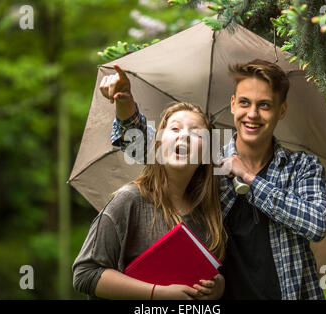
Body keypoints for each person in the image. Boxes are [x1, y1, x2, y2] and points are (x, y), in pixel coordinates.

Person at [107, 60, 326, 300]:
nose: (253, 114)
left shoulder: (302, 167)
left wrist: (249, 178)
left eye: (265, 105)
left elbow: (318, 224)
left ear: (282, 110)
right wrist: (124, 101)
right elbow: (146, 144)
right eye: (245, 102)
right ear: (233, 104)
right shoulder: (207, 165)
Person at [72, 98, 227, 300]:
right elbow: (85, 274)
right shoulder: (128, 201)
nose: (185, 136)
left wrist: (218, 285)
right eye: (175, 129)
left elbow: (213, 273)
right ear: (160, 142)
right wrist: (157, 293)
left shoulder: (208, 214)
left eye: (197, 133)